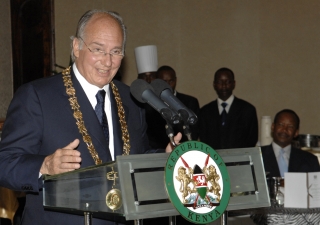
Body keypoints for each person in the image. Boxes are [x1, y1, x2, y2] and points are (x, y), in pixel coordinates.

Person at [0, 9, 180, 225]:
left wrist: (163, 158)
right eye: (98, 49)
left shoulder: (130, 98)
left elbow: (134, 158)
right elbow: (5, 163)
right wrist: (44, 166)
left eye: (116, 52)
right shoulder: (38, 96)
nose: (107, 61)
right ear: (76, 47)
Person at [199, 67, 258, 149]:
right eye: (220, 82)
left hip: (240, 160)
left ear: (234, 84)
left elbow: (251, 140)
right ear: (214, 84)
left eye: (228, 82)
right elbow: (204, 140)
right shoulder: (205, 112)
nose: (224, 86)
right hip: (213, 160)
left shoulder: (248, 110)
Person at [146, 65, 200, 148]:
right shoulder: (150, 104)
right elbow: (149, 135)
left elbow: (195, 131)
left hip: (184, 149)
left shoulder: (189, 101)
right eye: (164, 82)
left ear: (176, 80)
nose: (168, 85)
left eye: (171, 81)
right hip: (158, 153)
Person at [261, 109, 320, 177]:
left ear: (296, 133)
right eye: (280, 125)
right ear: (273, 127)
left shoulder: (310, 160)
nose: (284, 130)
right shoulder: (256, 156)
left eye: (290, 127)